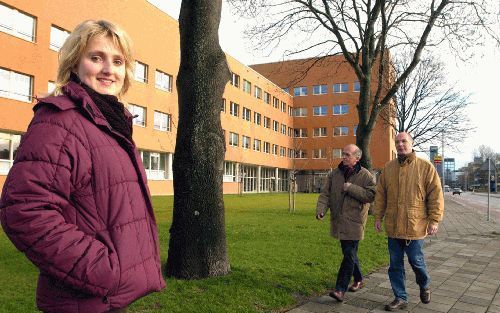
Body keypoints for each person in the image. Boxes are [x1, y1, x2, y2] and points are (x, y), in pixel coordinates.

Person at [0, 20, 165, 313]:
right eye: (96, 57)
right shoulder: (60, 121)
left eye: (117, 61)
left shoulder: (108, 124)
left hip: (107, 300)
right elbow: (24, 210)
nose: (108, 69)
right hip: (83, 298)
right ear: (75, 63)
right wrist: (102, 269)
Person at [374, 132, 444, 311]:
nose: (400, 144)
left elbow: (435, 195)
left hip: (415, 225)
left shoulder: (425, 167)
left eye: (404, 141)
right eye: (397, 142)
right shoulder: (388, 168)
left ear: (411, 143)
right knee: (395, 265)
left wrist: (434, 220)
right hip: (393, 225)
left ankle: (425, 284)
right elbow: (381, 195)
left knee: (416, 261)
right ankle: (400, 297)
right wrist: (377, 217)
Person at [316, 144, 376, 302]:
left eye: (347, 155)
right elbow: (325, 194)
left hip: (355, 222)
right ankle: (359, 279)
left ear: (357, 158)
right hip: (339, 220)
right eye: (343, 154)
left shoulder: (366, 175)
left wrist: (351, 188)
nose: (343, 157)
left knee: (349, 254)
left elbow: (371, 195)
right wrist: (321, 210)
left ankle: (340, 289)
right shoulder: (334, 174)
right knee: (349, 253)